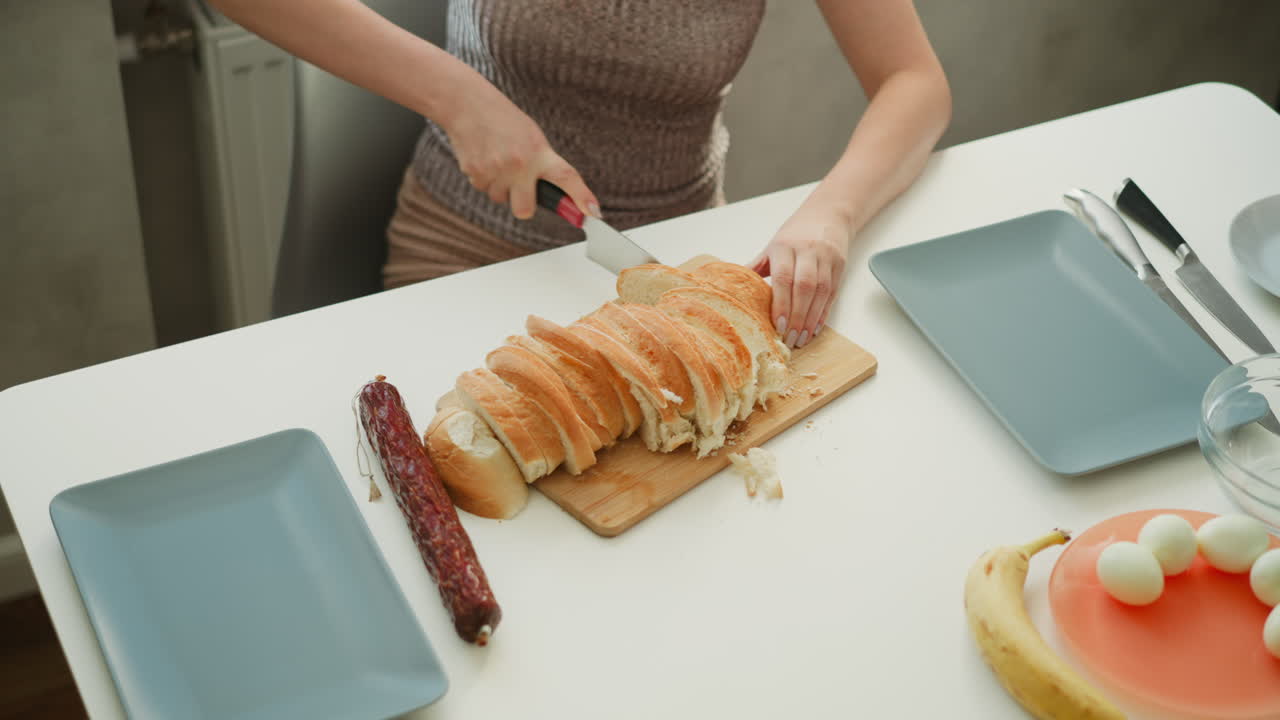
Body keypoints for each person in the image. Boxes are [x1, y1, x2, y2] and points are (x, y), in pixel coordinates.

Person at [210, 0, 951, 348]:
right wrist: (456, 95)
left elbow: (915, 81)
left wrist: (832, 213)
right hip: (466, 253)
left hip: (669, 268)